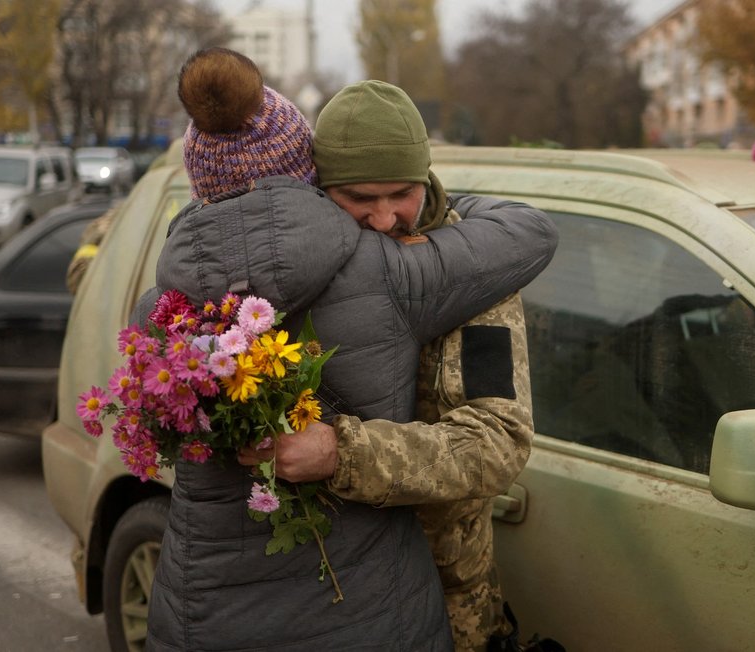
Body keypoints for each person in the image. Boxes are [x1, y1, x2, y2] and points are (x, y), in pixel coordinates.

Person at [139, 49, 558, 652]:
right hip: (318, 599)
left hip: (446, 591)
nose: (384, 218)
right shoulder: (259, 279)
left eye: (402, 192)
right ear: (314, 186)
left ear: (427, 178)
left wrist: (346, 452)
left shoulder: (474, 282)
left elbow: (497, 443)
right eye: (359, 197)